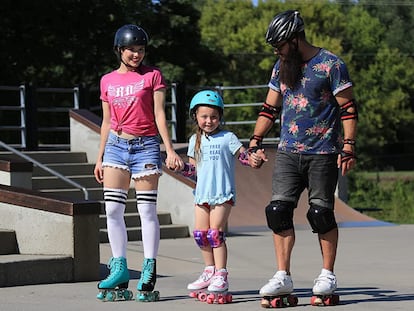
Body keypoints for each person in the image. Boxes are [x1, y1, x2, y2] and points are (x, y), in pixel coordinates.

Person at [248, 10, 357, 304]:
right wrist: (255, 140)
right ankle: (283, 276)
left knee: (321, 213)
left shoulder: (331, 64)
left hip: (323, 152)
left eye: (280, 45)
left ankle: (326, 275)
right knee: (277, 211)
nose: (277, 51)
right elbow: (269, 108)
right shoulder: (281, 66)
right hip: (287, 152)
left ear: (295, 39)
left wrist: (348, 146)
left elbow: (348, 108)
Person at [93, 24, 184, 302]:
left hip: (145, 147)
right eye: (132, 49)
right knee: (112, 211)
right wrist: (100, 157)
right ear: (119, 50)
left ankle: (148, 268)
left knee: (146, 211)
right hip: (115, 148)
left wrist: (168, 149)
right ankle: (118, 267)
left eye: (141, 50)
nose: (136, 54)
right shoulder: (107, 80)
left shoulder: (153, 76)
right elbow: (107, 121)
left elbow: (159, 114)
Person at [182, 90, 248, 300]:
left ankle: (222, 274)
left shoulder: (228, 137)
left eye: (214, 116)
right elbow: (193, 171)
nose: (209, 121)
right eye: (204, 116)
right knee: (201, 234)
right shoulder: (195, 140)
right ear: (196, 117)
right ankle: (209, 271)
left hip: (222, 193)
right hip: (201, 194)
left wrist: (254, 158)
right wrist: (179, 167)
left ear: (220, 117)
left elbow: (243, 156)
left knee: (214, 233)